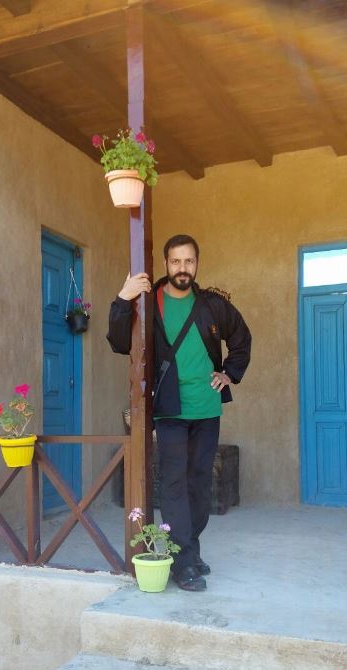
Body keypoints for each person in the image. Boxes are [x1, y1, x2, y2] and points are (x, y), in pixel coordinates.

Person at [107, 234, 251, 591]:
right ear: (166, 264)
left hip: (206, 407)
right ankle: (182, 561)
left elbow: (241, 337)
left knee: (200, 483)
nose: (182, 268)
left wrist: (229, 373)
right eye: (176, 261)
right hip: (169, 408)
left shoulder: (212, 305)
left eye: (188, 261)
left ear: (196, 264)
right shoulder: (149, 302)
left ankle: (190, 549)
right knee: (173, 483)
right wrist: (123, 298)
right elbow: (120, 342)